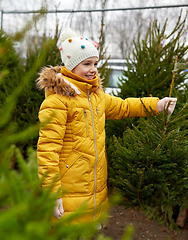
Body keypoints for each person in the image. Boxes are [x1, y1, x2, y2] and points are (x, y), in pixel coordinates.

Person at [36, 28, 177, 225]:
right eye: (86, 64)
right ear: (71, 66)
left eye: (95, 63)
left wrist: (156, 105)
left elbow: (124, 106)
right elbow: (47, 150)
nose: (93, 69)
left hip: (95, 185)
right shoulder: (58, 102)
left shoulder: (96, 96)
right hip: (69, 187)